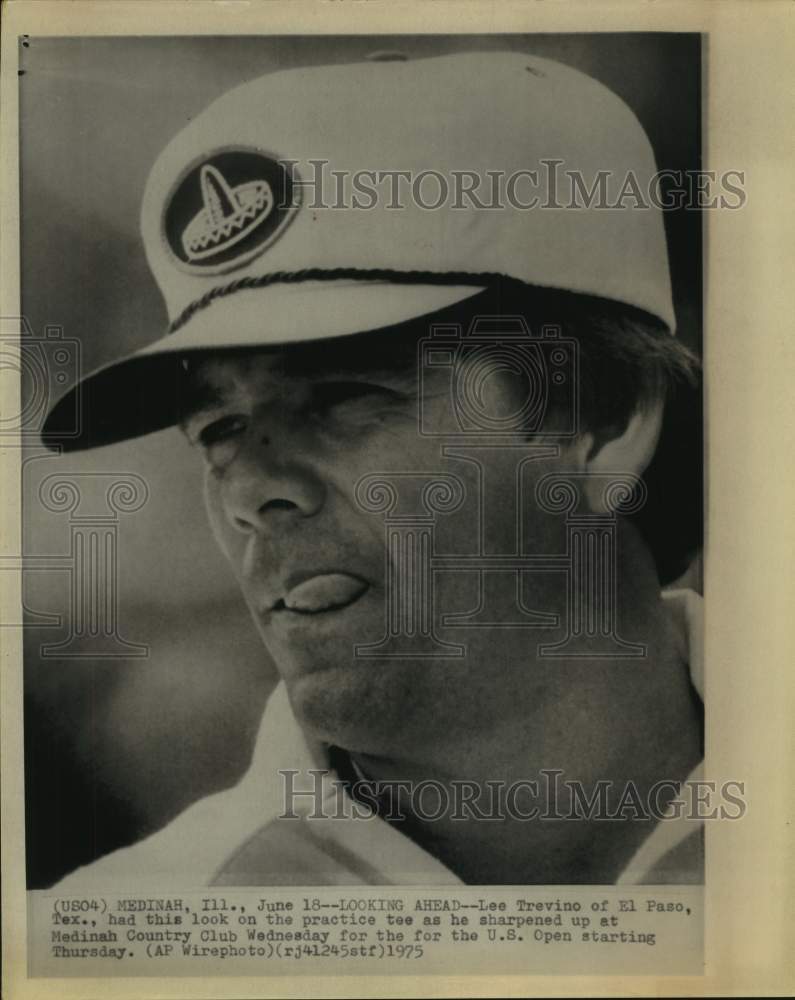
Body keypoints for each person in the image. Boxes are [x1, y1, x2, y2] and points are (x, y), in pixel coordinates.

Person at [44, 50, 704, 888]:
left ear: (604, 426)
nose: (249, 489)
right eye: (219, 428)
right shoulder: (119, 935)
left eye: (346, 395)